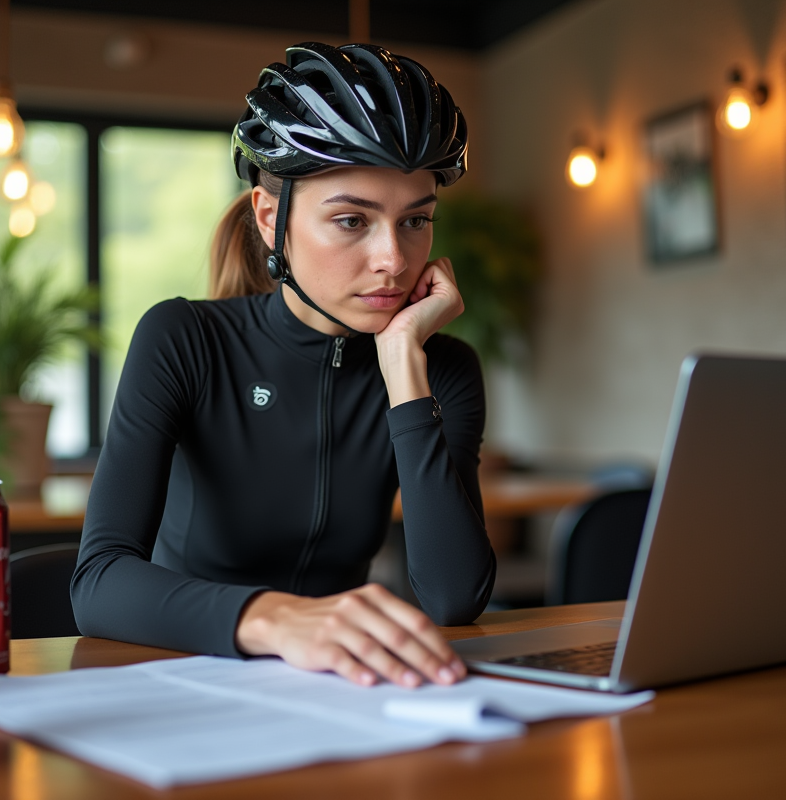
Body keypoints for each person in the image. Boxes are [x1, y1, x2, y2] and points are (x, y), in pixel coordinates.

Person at [72, 42, 495, 689]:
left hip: (344, 690)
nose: (392, 258)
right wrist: (278, 621)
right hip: (184, 680)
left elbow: (454, 595)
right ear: (271, 218)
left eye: (416, 222)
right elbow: (98, 581)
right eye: (352, 220)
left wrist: (403, 368)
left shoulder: (441, 368)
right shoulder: (183, 339)